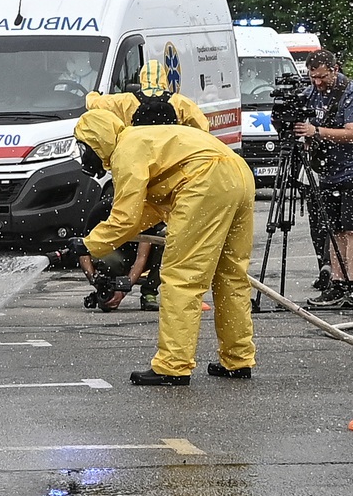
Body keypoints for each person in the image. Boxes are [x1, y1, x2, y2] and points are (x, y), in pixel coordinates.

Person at [72, 107, 255, 385]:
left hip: (205, 180)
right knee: (231, 276)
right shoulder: (144, 139)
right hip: (238, 173)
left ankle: (173, 366)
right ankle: (237, 359)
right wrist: (97, 241)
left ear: (96, 141)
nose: (83, 154)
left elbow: (124, 218)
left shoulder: (126, 150)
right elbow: (147, 211)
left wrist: (88, 244)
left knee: (182, 277)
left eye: (84, 147)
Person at [296, 49, 353, 312]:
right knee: (333, 230)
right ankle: (336, 281)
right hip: (329, 170)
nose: (317, 83)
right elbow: (304, 116)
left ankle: (351, 287)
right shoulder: (314, 92)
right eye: (313, 78)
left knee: (351, 229)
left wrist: (316, 131)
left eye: (322, 77)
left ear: (334, 69)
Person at [86, 59, 211, 131]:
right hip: (169, 155)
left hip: (140, 153)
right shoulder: (179, 101)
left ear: (142, 77)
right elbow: (202, 127)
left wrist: (94, 94)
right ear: (164, 77)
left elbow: (94, 104)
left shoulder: (128, 100)